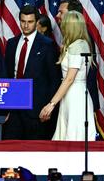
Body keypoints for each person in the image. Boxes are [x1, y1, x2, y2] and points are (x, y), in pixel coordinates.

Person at [3, 5, 61, 140]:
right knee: (12, 150)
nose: (26, 26)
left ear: (36, 22)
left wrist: (48, 107)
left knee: (36, 153)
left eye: (30, 22)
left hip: (37, 111)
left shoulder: (47, 45)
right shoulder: (12, 44)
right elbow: (7, 76)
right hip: (14, 109)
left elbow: (54, 79)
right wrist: (5, 107)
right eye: (23, 21)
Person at [39, 11, 96, 141]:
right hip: (70, 95)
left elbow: (70, 79)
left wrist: (51, 104)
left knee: (74, 135)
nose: (61, 27)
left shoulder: (79, 46)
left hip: (76, 97)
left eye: (64, 24)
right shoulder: (76, 45)